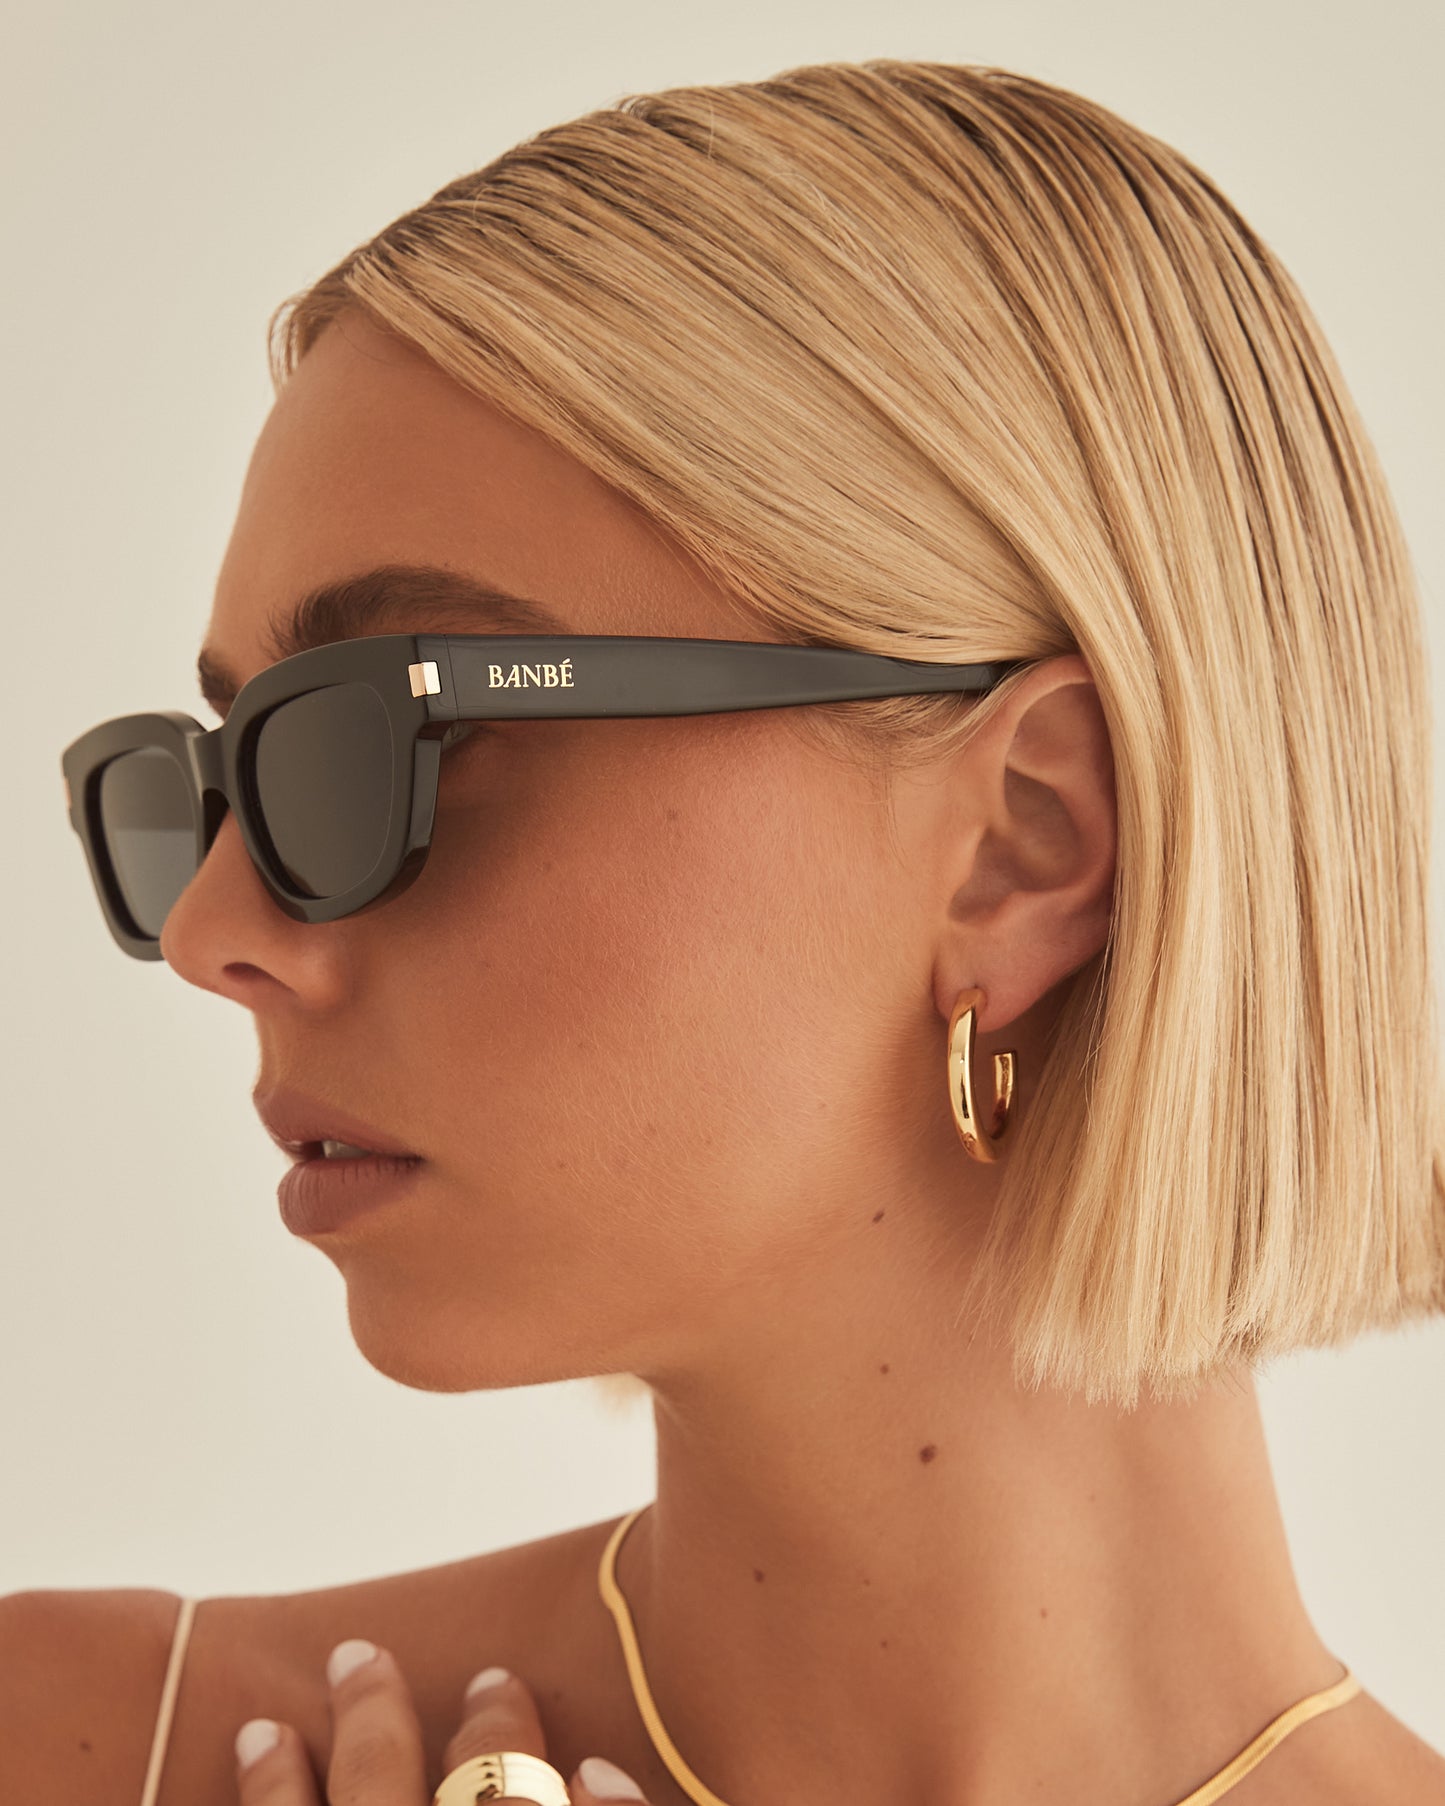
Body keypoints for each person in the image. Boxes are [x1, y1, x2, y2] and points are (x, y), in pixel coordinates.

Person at [9, 55, 1445, 1806]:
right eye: (220, 772)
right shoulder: (81, 1748)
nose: (209, 927)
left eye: (396, 734)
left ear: (1029, 839)